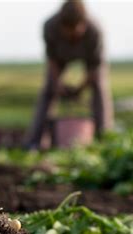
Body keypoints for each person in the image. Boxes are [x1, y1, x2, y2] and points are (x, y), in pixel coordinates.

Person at [26, 0, 114, 149]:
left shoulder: (95, 30)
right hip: (60, 56)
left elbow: (95, 67)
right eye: (68, 29)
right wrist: (58, 83)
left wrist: (80, 88)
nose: (72, 33)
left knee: (99, 87)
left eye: (76, 29)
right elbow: (52, 59)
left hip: (90, 59)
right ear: (61, 25)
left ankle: (104, 137)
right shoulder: (50, 26)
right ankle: (35, 141)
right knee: (49, 89)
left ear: (84, 22)